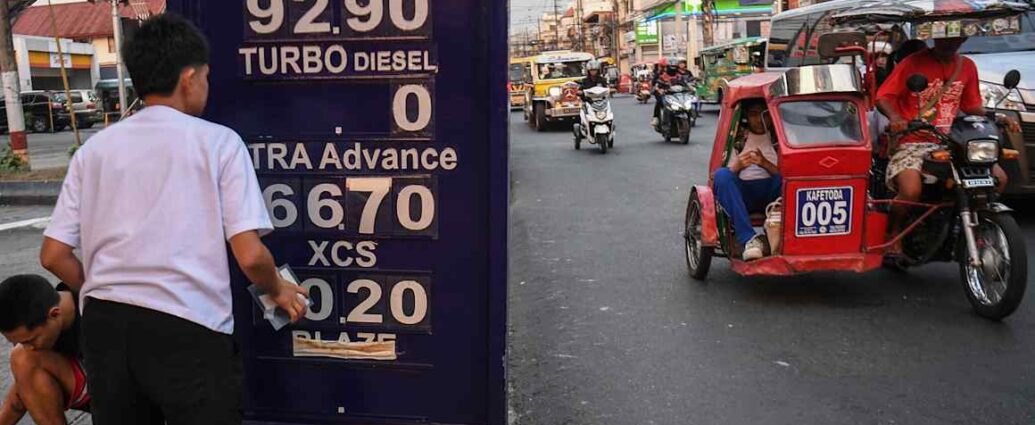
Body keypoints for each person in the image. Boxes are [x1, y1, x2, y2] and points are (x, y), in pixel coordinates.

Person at [38, 14, 309, 425]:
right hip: (189, 328)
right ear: (189, 78)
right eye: (206, 77)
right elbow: (251, 256)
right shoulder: (218, 143)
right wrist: (278, 289)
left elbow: (53, 255)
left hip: (107, 332)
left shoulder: (94, 150)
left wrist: (106, 287)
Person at [876, 37, 1017, 252]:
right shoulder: (912, 63)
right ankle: (893, 232)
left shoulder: (967, 66)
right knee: (911, 190)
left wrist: (997, 116)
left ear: (962, 39)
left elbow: (971, 105)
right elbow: (883, 97)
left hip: (952, 140)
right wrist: (896, 118)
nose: (949, 43)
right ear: (936, 37)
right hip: (913, 140)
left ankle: (975, 224)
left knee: (999, 178)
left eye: (955, 39)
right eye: (945, 39)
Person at [0, 275, 88, 425]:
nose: (28, 348)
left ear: (54, 314)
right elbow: (19, 399)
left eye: (30, 340)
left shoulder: (98, 316)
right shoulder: (46, 318)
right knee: (23, 358)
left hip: (123, 393)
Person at [713, 100, 780, 261]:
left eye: (764, 114)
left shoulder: (779, 137)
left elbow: (788, 176)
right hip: (744, 195)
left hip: (772, 195)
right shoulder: (736, 137)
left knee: (789, 177)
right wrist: (738, 166)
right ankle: (749, 239)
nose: (759, 120)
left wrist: (765, 164)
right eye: (753, 114)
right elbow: (725, 176)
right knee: (722, 175)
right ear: (746, 117)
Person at [652, 60, 690, 127]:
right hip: (667, 95)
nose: (673, 69)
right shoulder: (662, 76)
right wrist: (659, 89)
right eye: (671, 67)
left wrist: (689, 88)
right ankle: (661, 121)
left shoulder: (679, 76)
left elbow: (685, 84)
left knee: (687, 104)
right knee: (661, 103)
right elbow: (656, 85)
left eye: (674, 67)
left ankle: (690, 118)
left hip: (678, 95)